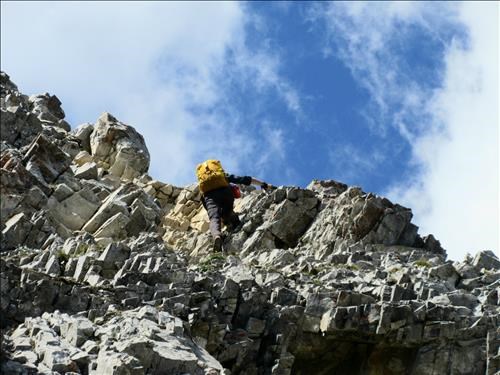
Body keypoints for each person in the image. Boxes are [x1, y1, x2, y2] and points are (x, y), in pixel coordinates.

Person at [198, 164, 273, 252]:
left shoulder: (204, 186)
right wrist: (263, 184)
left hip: (209, 196)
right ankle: (233, 221)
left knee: (214, 218)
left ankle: (217, 236)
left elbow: (207, 206)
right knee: (228, 211)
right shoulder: (222, 176)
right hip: (226, 192)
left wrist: (216, 216)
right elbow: (245, 179)